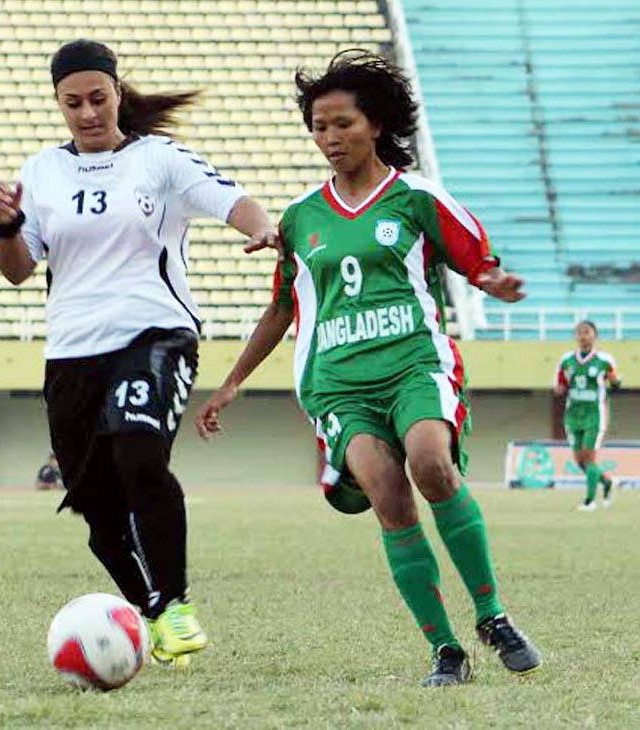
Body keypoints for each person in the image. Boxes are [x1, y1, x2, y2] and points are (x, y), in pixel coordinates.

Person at [194, 50, 542, 687]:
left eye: (343, 124)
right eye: (320, 127)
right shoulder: (301, 219)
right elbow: (281, 307)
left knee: (431, 463)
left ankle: (492, 616)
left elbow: (476, 262)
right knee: (388, 496)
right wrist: (234, 381)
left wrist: (494, 282)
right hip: (340, 382)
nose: (331, 138)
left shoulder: (416, 198)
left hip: (414, 362)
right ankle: (446, 650)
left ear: (376, 124)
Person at [0, 39, 280, 667]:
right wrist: (7, 227)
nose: (88, 113)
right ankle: (151, 614)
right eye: (73, 103)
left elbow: (231, 200)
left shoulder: (158, 159)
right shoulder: (41, 172)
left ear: (118, 93)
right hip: (70, 353)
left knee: (137, 447)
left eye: (98, 98)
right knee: (96, 512)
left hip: (156, 334)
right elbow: (16, 270)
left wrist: (261, 228)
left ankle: (175, 603)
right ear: (58, 104)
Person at [554, 320, 621, 510]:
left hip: (594, 414)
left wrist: (615, 380)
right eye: (579, 332)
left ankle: (590, 501)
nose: (583, 336)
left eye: (587, 332)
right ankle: (607, 482)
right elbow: (560, 384)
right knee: (580, 462)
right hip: (573, 415)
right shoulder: (566, 360)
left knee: (589, 458)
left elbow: (616, 383)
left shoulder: (604, 360)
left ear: (595, 335)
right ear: (575, 336)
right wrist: (559, 388)